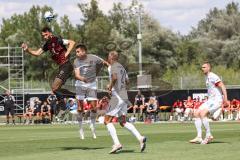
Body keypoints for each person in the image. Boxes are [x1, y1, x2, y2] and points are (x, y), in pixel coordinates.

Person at [104, 51, 146, 154]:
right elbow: (127, 82)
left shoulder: (112, 66)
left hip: (117, 97)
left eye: (108, 57)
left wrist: (110, 87)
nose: (108, 59)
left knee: (106, 121)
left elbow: (114, 78)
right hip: (124, 96)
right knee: (123, 122)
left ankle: (117, 143)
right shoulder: (122, 67)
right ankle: (140, 138)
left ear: (111, 58)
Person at [21, 26, 75, 94]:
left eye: (46, 35)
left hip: (66, 65)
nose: (44, 37)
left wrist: (67, 53)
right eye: (43, 36)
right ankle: (72, 97)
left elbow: (72, 42)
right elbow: (37, 53)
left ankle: (74, 96)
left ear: (50, 33)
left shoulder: (57, 39)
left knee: (55, 88)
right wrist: (27, 50)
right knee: (55, 89)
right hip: (61, 67)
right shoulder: (47, 45)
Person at [73, 44, 108, 139]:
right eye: (76, 52)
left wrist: (110, 69)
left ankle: (92, 126)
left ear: (84, 51)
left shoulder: (93, 58)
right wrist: (83, 79)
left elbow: (104, 63)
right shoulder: (76, 61)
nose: (76, 53)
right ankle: (80, 129)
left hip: (92, 84)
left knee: (94, 108)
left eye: (78, 51)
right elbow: (76, 75)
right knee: (80, 109)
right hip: (80, 84)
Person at [190, 62, 228, 144]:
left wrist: (225, 98)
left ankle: (208, 135)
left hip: (216, 100)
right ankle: (199, 137)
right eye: (202, 67)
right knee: (196, 113)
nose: (202, 68)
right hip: (210, 100)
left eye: (204, 67)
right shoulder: (207, 77)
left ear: (209, 68)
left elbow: (222, 86)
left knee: (203, 113)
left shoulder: (213, 76)